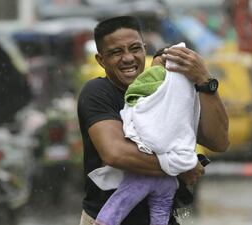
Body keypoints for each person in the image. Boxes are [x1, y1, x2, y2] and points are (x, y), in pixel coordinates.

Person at [77, 16, 229, 225]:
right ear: (101, 60)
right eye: (116, 52)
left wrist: (205, 81)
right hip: (110, 219)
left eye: (135, 48)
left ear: (145, 49)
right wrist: (181, 166)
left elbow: (219, 141)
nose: (128, 58)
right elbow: (115, 153)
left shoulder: (166, 90)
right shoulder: (97, 92)